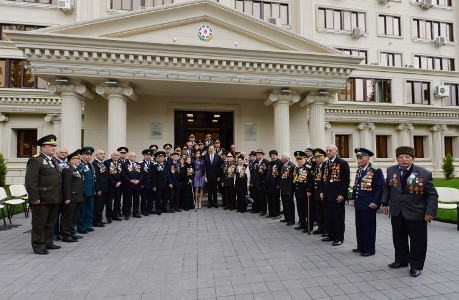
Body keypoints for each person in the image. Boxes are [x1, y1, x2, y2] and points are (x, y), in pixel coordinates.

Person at [381, 146, 438, 277]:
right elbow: (387, 188)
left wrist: (430, 212)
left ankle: (416, 265)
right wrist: (384, 203)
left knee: (418, 241)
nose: (404, 159)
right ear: (397, 159)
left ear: (413, 158)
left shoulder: (424, 173)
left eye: (407, 157)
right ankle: (401, 260)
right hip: (397, 212)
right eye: (401, 157)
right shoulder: (391, 171)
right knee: (398, 238)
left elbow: (432, 195)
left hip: (416, 212)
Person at [25, 134, 62, 255]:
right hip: (41, 198)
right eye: (50, 146)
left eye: (54, 146)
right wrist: (34, 198)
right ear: (42, 148)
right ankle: (38, 245)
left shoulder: (53, 160)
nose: (53, 148)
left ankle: (48, 242)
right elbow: (30, 181)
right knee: (39, 223)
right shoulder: (36, 160)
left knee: (50, 222)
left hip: (54, 197)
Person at [350, 148, 384, 257]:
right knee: (359, 226)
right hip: (359, 203)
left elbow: (380, 188)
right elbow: (356, 186)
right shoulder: (359, 170)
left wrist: (376, 202)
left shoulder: (375, 170)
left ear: (368, 158)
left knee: (368, 227)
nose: (358, 160)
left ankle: (369, 249)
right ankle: (361, 246)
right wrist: (353, 198)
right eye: (357, 158)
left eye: (361, 158)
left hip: (369, 204)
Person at [322, 144, 350, 246]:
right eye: (327, 150)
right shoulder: (325, 164)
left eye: (330, 150)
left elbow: (346, 181)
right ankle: (331, 235)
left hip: (337, 196)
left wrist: (342, 194)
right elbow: (323, 179)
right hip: (327, 195)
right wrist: (322, 192)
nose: (328, 152)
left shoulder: (342, 163)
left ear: (335, 151)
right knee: (329, 217)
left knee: (338, 218)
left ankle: (339, 238)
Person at [60, 149, 84, 242]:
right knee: (67, 217)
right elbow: (66, 185)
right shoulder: (67, 170)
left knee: (74, 217)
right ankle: (66, 235)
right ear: (71, 160)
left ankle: (72, 233)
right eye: (77, 159)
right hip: (71, 198)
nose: (79, 160)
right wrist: (67, 198)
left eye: (79, 159)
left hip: (77, 197)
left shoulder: (76, 169)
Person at [293, 151, 314, 233]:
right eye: (297, 159)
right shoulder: (297, 168)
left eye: (300, 159)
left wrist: (309, 190)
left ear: (305, 158)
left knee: (307, 210)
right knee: (300, 209)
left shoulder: (309, 167)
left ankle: (309, 226)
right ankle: (302, 223)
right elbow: (295, 180)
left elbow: (311, 181)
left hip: (306, 192)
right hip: (298, 192)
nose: (299, 161)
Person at [77, 146, 96, 234]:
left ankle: (88, 225)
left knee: (89, 209)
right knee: (82, 210)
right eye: (86, 154)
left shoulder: (90, 165)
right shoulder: (80, 164)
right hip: (83, 191)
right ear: (81, 155)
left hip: (90, 191)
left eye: (90, 155)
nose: (88, 156)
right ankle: (81, 227)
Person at [53, 147, 68, 241]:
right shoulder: (54, 162)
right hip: (57, 192)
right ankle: (55, 233)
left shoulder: (67, 163)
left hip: (66, 192)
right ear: (57, 154)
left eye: (65, 152)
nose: (63, 154)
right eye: (61, 152)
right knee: (56, 214)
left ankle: (64, 232)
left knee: (65, 214)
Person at [104, 151, 123, 222]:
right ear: (111, 156)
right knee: (109, 202)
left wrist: (120, 182)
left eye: (117, 155)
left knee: (117, 202)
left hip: (119, 186)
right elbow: (107, 175)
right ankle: (109, 217)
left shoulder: (121, 163)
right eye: (115, 155)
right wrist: (114, 183)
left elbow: (123, 174)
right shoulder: (107, 162)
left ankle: (115, 215)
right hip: (110, 186)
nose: (116, 156)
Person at [122, 152, 142, 219]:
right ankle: (127, 214)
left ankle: (136, 213)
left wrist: (138, 180)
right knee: (128, 200)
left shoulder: (138, 164)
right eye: (132, 156)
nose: (133, 157)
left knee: (136, 200)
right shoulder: (124, 164)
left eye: (134, 156)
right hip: (128, 185)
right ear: (129, 157)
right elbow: (123, 175)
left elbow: (141, 174)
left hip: (137, 185)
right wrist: (130, 180)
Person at [311, 148, 326, 236]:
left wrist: (323, 192)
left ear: (324, 157)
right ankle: (320, 228)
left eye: (319, 157)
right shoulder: (316, 167)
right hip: (316, 193)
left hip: (323, 193)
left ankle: (326, 230)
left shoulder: (326, 166)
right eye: (316, 157)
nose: (317, 159)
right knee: (318, 212)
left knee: (324, 213)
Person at [92, 149, 108, 227]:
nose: (103, 155)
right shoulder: (95, 164)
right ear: (96, 155)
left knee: (101, 206)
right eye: (101, 154)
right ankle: (96, 221)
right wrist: (98, 189)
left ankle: (99, 219)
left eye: (104, 154)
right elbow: (96, 178)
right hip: (100, 189)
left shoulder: (101, 163)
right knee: (98, 206)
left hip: (104, 188)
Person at [251, 149, 269, 216]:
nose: (258, 156)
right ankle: (257, 209)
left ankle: (263, 210)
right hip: (255, 183)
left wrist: (264, 181)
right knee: (256, 196)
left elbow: (267, 173)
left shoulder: (266, 162)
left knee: (262, 197)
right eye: (257, 155)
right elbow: (253, 173)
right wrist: (252, 182)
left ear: (262, 155)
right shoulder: (255, 162)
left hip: (262, 183)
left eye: (259, 154)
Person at [279, 153, 295, 226]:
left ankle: (291, 220)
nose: (281, 159)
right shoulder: (284, 165)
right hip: (283, 188)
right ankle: (286, 217)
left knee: (289, 205)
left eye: (282, 157)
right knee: (285, 204)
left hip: (288, 189)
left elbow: (291, 180)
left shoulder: (291, 166)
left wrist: (290, 190)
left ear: (286, 159)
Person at [266, 150, 282, 219]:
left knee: (275, 199)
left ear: (277, 155)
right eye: (271, 156)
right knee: (269, 199)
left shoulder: (280, 163)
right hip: (269, 184)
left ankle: (277, 214)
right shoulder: (270, 163)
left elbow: (281, 175)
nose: (272, 157)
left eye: (274, 155)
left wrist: (279, 184)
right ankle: (271, 213)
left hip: (276, 184)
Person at [139, 149, 154, 216]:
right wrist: (141, 184)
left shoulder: (153, 163)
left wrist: (154, 185)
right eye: (147, 155)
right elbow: (140, 174)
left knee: (150, 197)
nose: (148, 156)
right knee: (144, 198)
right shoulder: (141, 164)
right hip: (144, 184)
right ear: (144, 155)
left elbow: (154, 175)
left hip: (151, 184)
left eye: (149, 155)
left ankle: (149, 209)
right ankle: (144, 210)